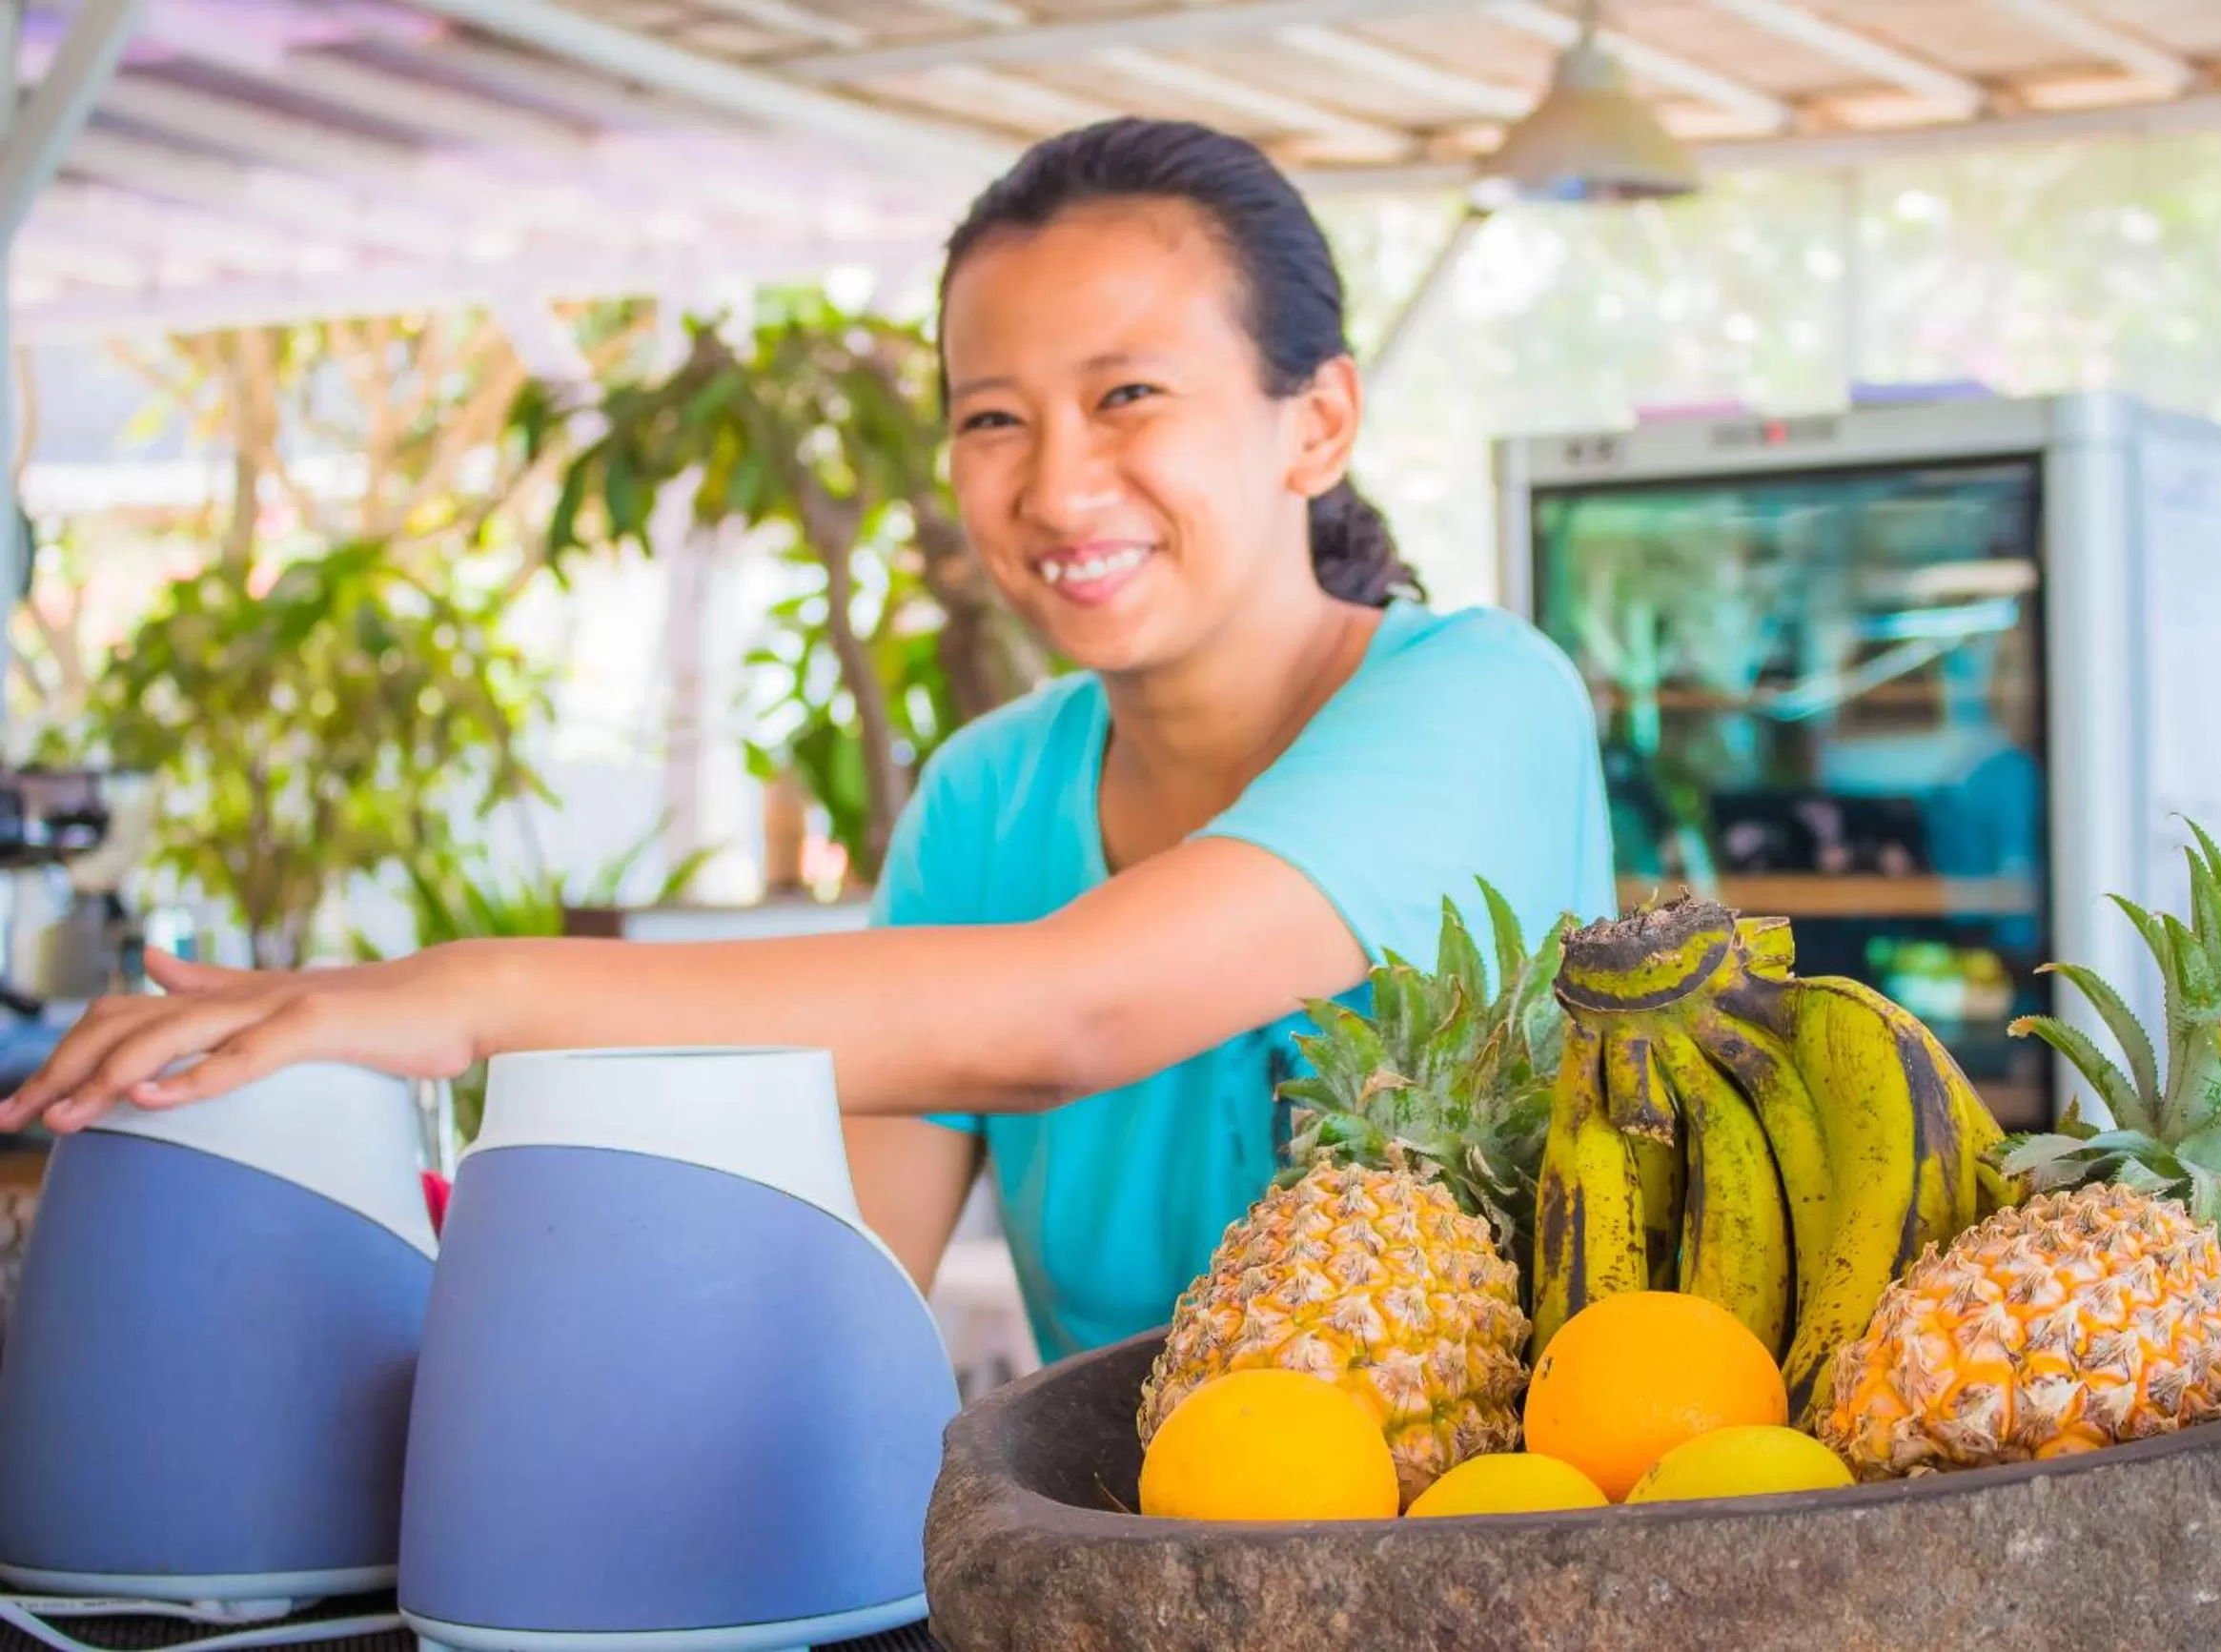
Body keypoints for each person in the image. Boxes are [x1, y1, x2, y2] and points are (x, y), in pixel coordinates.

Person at [0, 119, 1617, 1364]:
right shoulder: (990, 796)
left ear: (1315, 421)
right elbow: (839, 1281)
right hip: (1118, 1566)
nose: (1055, 489)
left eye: (1129, 394)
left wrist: (469, 993)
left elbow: (1073, 1010)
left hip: (1476, 1566)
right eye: (994, 417)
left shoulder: (1481, 699)